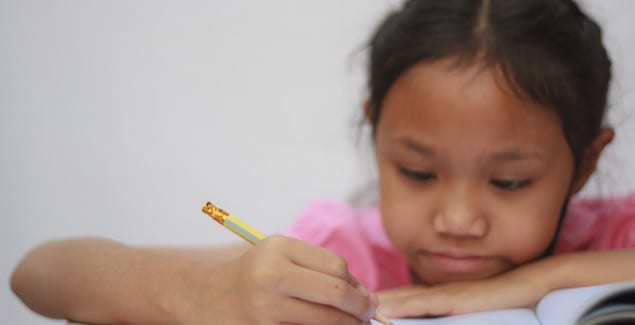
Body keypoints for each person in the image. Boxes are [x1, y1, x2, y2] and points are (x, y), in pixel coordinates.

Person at [11, 0, 635, 324]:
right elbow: (40, 274)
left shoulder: (614, 239)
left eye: (509, 181)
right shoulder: (342, 260)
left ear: (583, 165)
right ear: (375, 132)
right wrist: (213, 292)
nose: (459, 218)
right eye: (418, 172)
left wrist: (531, 284)